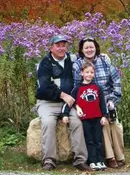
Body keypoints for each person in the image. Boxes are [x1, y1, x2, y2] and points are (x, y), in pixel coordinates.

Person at [35, 35, 91, 172]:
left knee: (77, 122)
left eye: (63, 45)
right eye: (58, 45)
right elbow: (45, 87)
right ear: (51, 48)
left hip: (69, 102)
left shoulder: (72, 59)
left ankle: (80, 160)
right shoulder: (45, 63)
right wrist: (63, 95)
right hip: (48, 102)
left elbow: (87, 60)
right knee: (48, 122)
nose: (61, 48)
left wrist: (103, 56)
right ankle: (49, 160)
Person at [73, 37, 126, 168]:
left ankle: (120, 156)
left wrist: (112, 100)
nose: (89, 49)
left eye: (92, 47)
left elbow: (116, 82)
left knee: (115, 124)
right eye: (86, 47)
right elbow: (76, 88)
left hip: (107, 99)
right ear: (81, 50)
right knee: (105, 124)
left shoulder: (105, 61)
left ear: (96, 47)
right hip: (90, 104)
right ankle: (110, 157)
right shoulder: (77, 65)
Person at [62, 61, 109, 171]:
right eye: (87, 72)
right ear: (82, 73)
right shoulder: (77, 88)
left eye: (91, 72)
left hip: (97, 118)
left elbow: (103, 103)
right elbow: (70, 102)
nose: (89, 74)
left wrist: (104, 116)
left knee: (98, 140)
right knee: (90, 140)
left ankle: (100, 161)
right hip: (85, 119)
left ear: (94, 74)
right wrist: (65, 114)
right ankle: (92, 161)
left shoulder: (98, 88)